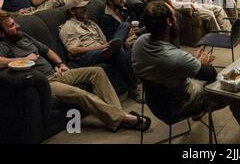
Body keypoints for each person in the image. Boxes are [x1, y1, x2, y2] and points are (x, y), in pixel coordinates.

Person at [132, 2, 240, 144]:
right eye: (174, 16)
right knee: (236, 91)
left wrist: (192, 63)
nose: (177, 18)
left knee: (203, 74)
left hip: (156, 102)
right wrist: (200, 63)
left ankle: (200, 110)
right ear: (168, 22)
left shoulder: (140, 42)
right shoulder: (174, 58)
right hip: (179, 105)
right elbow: (210, 74)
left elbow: (170, 68)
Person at [0, 13, 150, 132]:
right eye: (12, 25)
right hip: (46, 83)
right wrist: (24, 58)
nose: (18, 25)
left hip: (58, 73)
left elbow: (47, 50)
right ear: (2, 33)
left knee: (96, 72)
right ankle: (125, 118)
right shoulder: (3, 44)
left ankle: (119, 116)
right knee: (81, 94)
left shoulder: (23, 36)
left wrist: (61, 63)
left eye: (15, 22)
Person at [59, 0, 143, 102]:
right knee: (115, 49)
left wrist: (106, 45)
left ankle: (114, 48)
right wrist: (102, 47)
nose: (86, 9)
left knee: (125, 25)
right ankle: (134, 87)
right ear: (72, 11)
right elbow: (73, 51)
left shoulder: (91, 24)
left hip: (104, 49)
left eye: (85, 6)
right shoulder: (68, 27)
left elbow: (103, 40)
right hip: (86, 57)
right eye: (82, 8)